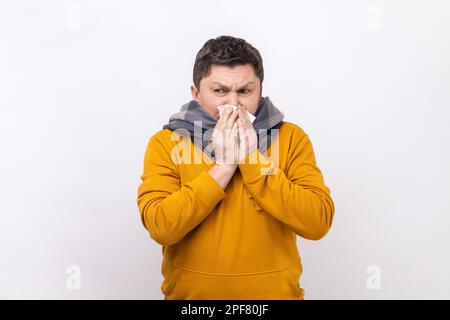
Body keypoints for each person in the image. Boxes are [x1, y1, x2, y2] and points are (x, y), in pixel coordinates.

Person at [137, 35, 335, 300]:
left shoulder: (291, 138)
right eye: (220, 91)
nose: (234, 103)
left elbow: (317, 222)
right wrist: (225, 165)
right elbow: (162, 227)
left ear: (260, 90)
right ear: (196, 94)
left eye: (244, 91)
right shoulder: (166, 143)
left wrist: (251, 158)